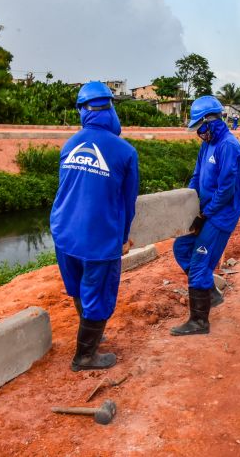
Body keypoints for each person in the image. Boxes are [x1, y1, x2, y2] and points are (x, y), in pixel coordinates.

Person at [49, 81, 139, 371]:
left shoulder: (70, 144)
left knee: (77, 288)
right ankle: (85, 356)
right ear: (110, 107)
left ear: (81, 111)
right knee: (98, 295)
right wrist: (123, 238)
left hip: (64, 233)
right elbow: (128, 203)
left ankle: (91, 338)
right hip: (98, 240)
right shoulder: (125, 152)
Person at [171, 96, 240, 336]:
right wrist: (190, 202)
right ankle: (210, 292)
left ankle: (199, 321)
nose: (198, 133)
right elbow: (196, 176)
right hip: (205, 212)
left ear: (211, 120)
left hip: (220, 216)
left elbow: (226, 189)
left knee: (199, 264)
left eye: (200, 127)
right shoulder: (208, 144)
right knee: (181, 248)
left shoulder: (228, 146)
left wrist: (205, 214)